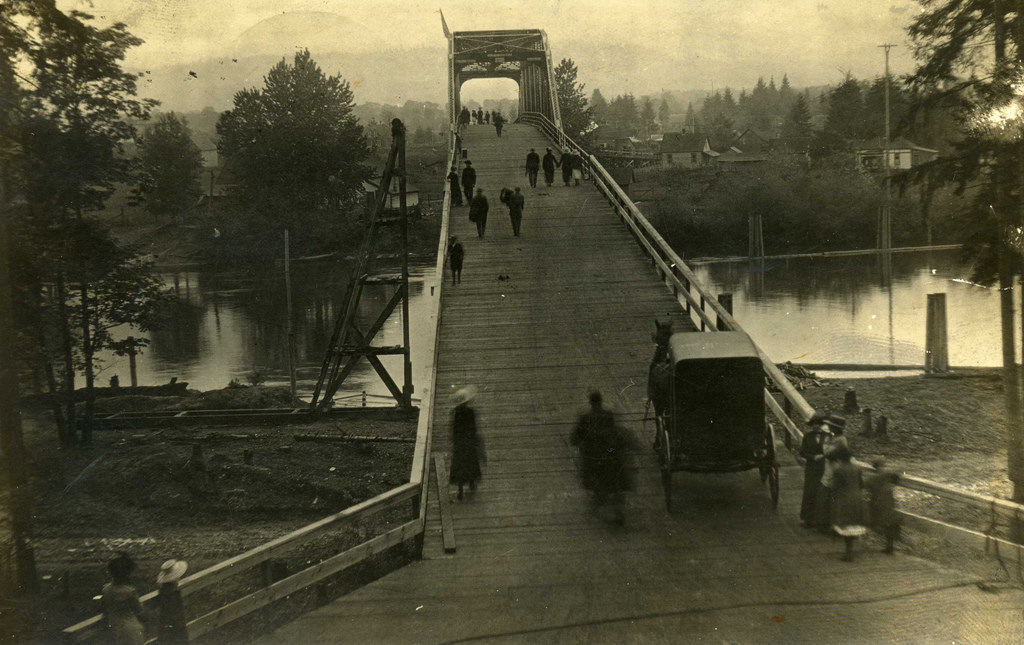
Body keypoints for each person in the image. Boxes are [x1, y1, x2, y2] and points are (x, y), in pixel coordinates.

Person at [570, 390, 635, 526]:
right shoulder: (608, 415)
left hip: (593, 454)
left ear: (591, 402)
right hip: (609, 451)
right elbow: (615, 434)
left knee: (587, 466)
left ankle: (597, 495)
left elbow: (574, 439)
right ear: (600, 402)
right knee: (617, 457)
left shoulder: (585, 418)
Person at [830, 445, 867, 561]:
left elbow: (836, 487)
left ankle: (848, 553)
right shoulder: (857, 468)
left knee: (846, 523)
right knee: (853, 522)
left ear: (840, 458)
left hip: (845, 498)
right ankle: (850, 550)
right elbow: (861, 484)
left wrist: (833, 498)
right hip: (857, 497)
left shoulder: (839, 470)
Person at [101, 552, 145, 645]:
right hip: (130, 630)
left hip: (113, 628)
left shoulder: (105, 590)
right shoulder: (130, 592)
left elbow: (105, 611)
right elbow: (140, 612)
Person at [815, 416, 848, 533]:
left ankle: (833, 526)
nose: (829, 428)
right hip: (830, 471)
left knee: (832, 498)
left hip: (836, 471)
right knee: (825, 497)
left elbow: (829, 453)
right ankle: (825, 524)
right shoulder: (835, 438)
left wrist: (825, 444)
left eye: (831, 426)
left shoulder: (840, 440)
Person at [450, 386, 484, 500]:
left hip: (459, 442)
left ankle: (460, 488)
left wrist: (454, 441)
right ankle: (471, 483)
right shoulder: (470, 412)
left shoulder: (455, 413)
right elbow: (473, 428)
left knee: (460, 464)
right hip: (469, 441)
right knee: (471, 462)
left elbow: (454, 429)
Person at [799, 414, 829, 528]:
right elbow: (802, 452)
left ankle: (821, 519)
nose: (816, 426)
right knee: (810, 492)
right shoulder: (807, 436)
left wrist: (823, 456)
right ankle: (808, 519)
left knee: (822, 492)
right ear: (811, 426)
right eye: (814, 424)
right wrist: (812, 457)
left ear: (821, 425)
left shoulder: (827, 436)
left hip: (823, 467)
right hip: (811, 468)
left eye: (818, 424)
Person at [866, 458, 900, 554]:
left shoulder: (871, 477)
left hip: (877, 502)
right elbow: (897, 476)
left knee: (879, 522)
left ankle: (886, 544)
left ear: (874, 467)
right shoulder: (889, 473)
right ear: (883, 466)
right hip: (888, 501)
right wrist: (892, 485)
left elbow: (865, 486)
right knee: (889, 523)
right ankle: (890, 546)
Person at [156, 559, 188, 644]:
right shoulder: (172, 593)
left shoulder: (164, 590)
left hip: (167, 626)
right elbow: (175, 613)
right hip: (175, 626)